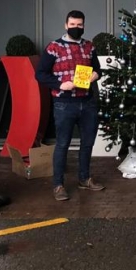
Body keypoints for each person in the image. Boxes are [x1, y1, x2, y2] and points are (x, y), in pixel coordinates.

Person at [36, 10, 105, 201]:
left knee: (88, 143)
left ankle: (84, 178)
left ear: (84, 25)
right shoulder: (54, 47)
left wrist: (95, 75)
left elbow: (98, 69)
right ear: (66, 25)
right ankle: (58, 185)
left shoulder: (89, 47)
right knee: (63, 144)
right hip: (64, 103)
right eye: (73, 25)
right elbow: (40, 74)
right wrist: (60, 85)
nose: (76, 28)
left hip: (87, 102)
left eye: (79, 25)